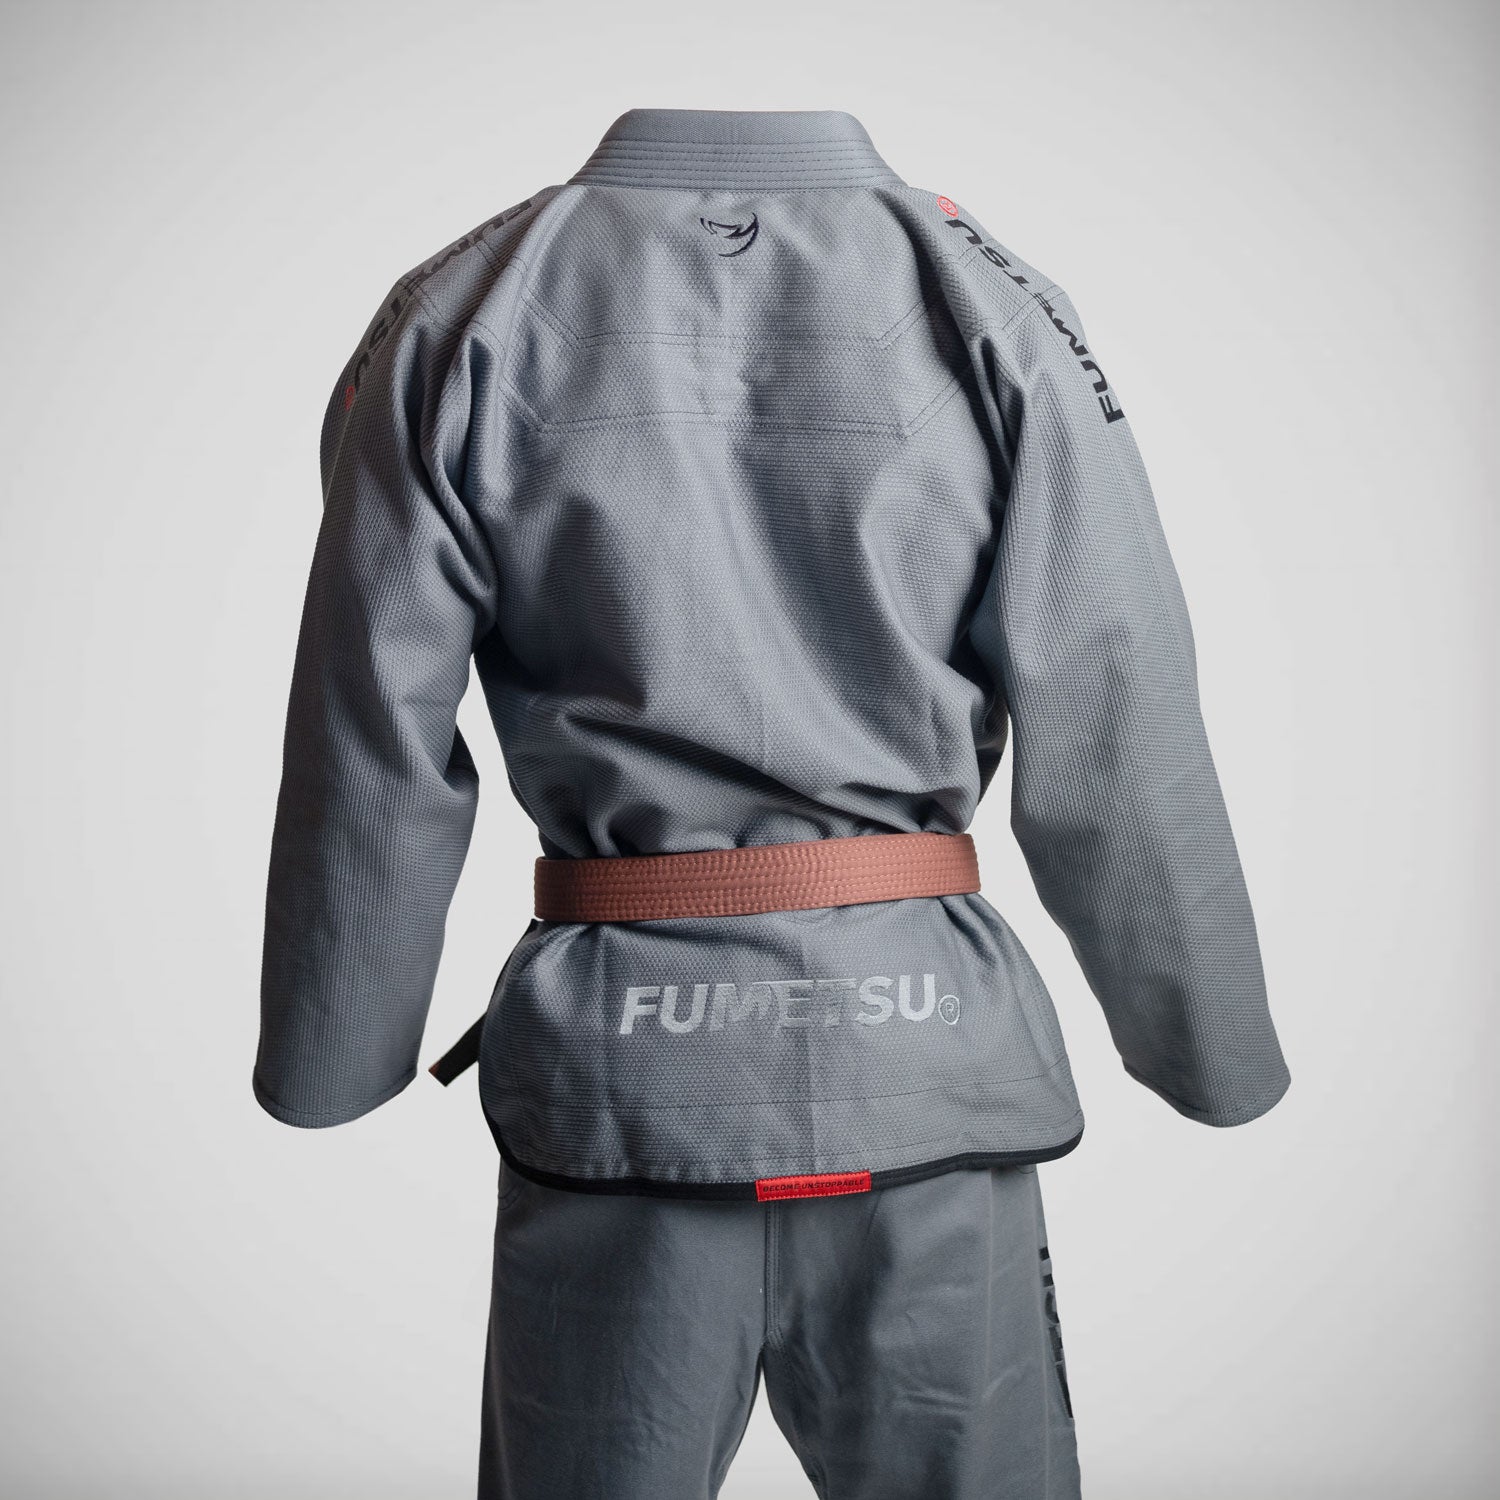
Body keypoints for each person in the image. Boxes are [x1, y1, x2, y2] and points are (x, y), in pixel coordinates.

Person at [254, 108, 1291, 1499]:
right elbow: (1115, 696)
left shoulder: (461, 309)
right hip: (919, 1074)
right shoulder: (991, 301)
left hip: (626, 1083)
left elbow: (368, 723)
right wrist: (1212, 1050)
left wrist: (331, 1054)